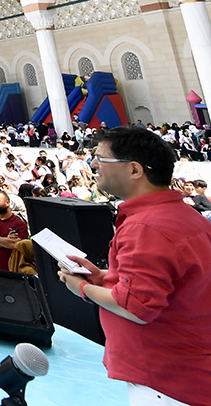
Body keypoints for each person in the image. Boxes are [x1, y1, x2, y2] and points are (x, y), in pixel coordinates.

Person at [56, 127, 211, 406]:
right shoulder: (186, 216)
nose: (93, 164)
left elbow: (135, 307)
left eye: (100, 158)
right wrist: (103, 276)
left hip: (165, 380)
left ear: (135, 169)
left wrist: (81, 287)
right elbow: (175, 282)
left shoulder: (145, 227)